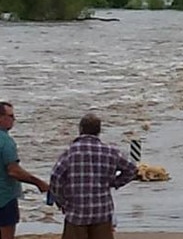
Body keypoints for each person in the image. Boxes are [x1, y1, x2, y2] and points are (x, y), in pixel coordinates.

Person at [50, 113, 137, 239]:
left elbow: (55, 177)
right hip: (102, 211)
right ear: (99, 131)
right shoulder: (110, 152)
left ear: (80, 129)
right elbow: (132, 169)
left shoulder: (70, 152)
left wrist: (62, 201)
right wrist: (115, 182)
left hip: (76, 212)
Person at [0, 102, 50, 239]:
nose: (14, 119)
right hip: (4, 198)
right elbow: (13, 171)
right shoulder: (5, 141)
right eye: (10, 116)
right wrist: (39, 183)